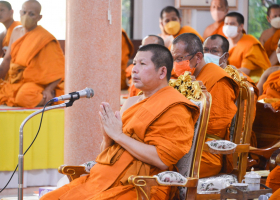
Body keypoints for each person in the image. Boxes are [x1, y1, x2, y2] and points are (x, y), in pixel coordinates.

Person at [41, 44, 200, 200]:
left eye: (142, 64)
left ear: (162, 71)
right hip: (101, 179)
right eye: (135, 63)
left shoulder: (175, 106)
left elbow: (162, 160)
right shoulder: (131, 102)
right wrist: (107, 136)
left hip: (140, 186)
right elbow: (107, 152)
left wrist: (118, 135)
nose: (134, 69)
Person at [171, 33, 239, 178]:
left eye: (180, 59)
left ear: (198, 57)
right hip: (180, 143)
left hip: (203, 152)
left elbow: (214, 127)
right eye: (174, 59)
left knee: (154, 168)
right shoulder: (189, 78)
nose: (176, 64)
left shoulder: (219, 80)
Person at [0, 0, 64, 108]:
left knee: (24, 97)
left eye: (31, 14)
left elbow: (58, 70)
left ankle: (51, 96)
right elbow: (6, 60)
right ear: (19, 13)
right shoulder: (15, 31)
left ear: (39, 17)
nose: (26, 16)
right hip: (15, 81)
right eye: (24, 12)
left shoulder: (45, 38)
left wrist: (49, 89)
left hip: (34, 83)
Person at [203, 34, 259, 147]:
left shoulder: (238, 82)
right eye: (205, 50)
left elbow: (240, 125)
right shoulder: (200, 76)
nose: (208, 54)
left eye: (214, 51)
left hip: (217, 142)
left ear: (224, 57)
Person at [224, 12, 271, 83]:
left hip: (249, 82)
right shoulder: (224, 42)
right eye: (226, 24)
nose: (228, 27)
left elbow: (245, 71)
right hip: (229, 78)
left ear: (241, 27)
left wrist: (222, 73)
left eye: (232, 24)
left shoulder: (250, 44)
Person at [0, 1, 21, 74]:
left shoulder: (20, 29)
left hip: (20, 70)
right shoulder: (1, 36)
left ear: (11, 12)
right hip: (7, 72)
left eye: (2, 10)